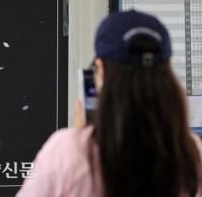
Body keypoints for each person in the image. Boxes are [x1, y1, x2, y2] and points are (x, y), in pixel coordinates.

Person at [16, 10, 202, 197]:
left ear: (101, 70)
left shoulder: (66, 153)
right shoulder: (192, 154)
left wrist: (79, 140)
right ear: (168, 70)